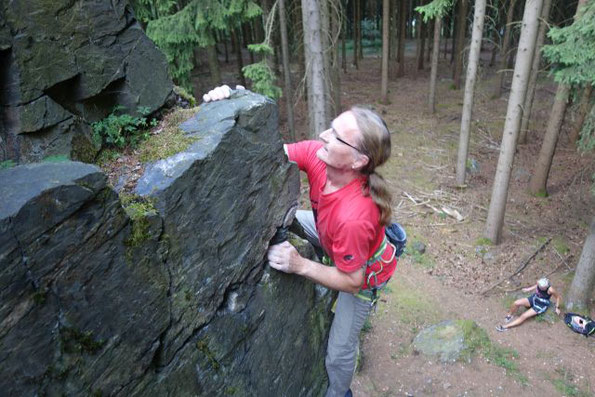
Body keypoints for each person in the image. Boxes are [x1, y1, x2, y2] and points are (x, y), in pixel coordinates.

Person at [203, 85, 399, 397]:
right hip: (331, 232)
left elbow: (352, 281)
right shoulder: (317, 157)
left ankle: (339, 393)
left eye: (335, 136)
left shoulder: (355, 216)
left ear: (359, 161)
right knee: (297, 220)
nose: (323, 135)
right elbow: (265, 152)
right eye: (330, 128)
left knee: (338, 353)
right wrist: (235, 105)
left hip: (362, 277)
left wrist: (299, 265)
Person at [496, 277, 561, 332]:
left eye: (542, 287)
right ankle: (509, 315)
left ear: (546, 286)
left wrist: (557, 307)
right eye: (540, 287)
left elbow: (558, 297)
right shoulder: (539, 283)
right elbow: (536, 285)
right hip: (534, 299)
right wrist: (528, 289)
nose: (540, 288)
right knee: (516, 303)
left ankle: (505, 327)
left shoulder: (550, 290)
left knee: (524, 316)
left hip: (541, 305)